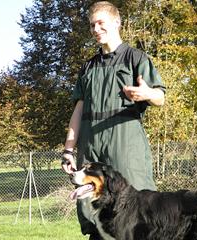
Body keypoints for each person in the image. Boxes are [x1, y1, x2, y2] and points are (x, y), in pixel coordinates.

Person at [61, 1, 165, 239]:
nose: (96, 29)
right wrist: (68, 150)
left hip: (126, 149)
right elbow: (78, 111)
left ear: (117, 22)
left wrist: (147, 94)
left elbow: (160, 97)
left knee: (137, 219)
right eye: (92, 25)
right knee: (96, 221)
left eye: (101, 23)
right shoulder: (88, 68)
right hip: (91, 150)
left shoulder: (136, 58)